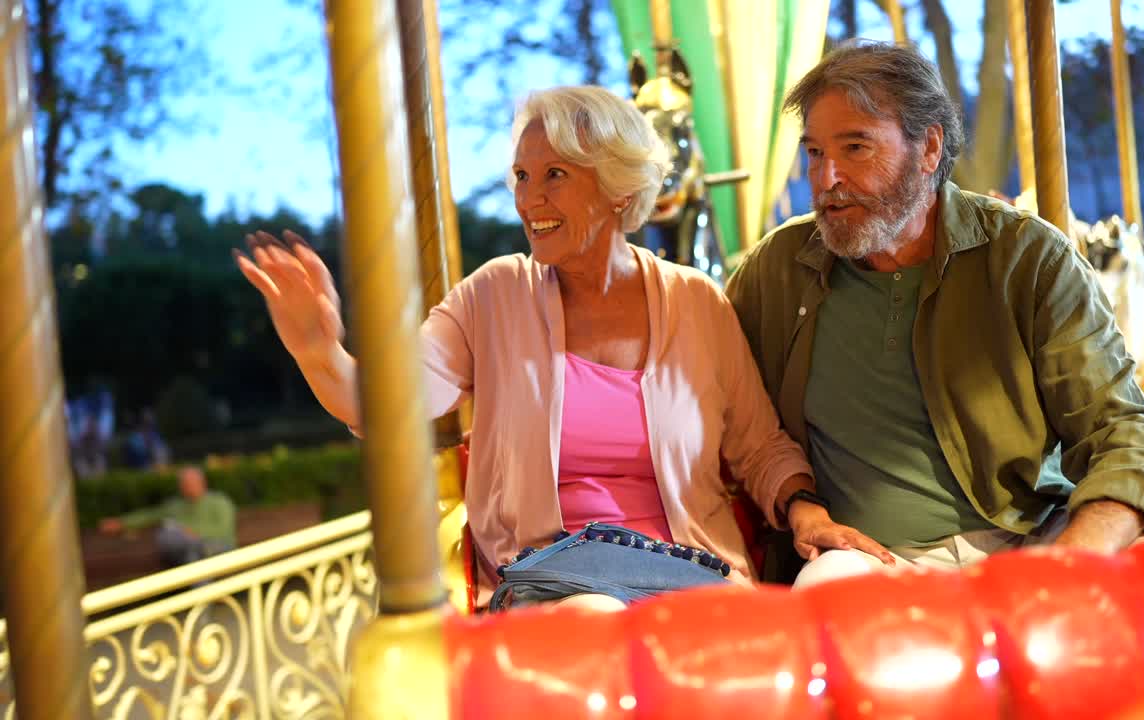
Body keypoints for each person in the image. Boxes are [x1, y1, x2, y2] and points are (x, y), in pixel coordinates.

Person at [235, 86, 884, 611]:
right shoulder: (492, 296)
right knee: (594, 622)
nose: (528, 198)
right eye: (520, 175)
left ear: (618, 190)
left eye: (553, 175)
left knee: (826, 600)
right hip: (553, 579)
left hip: (688, 574)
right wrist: (321, 352)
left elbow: (758, 445)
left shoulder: (695, 303)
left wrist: (806, 511)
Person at [725, 41, 1144, 587]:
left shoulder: (1026, 258)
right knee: (827, 587)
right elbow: (710, 400)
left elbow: (1128, 432)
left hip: (1031, 541)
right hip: (867, 562)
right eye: (813, 153)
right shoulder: (777, 271)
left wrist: (1074, 562)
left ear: (927, 149)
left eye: (855, 148)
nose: (826, 179)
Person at [99, 465, 237, 567]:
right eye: (184, 484)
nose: (186, 487)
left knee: (194, 552)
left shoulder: (219, 501)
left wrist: (194, 532)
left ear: (202, 483)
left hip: (216, 546)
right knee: (184, 545)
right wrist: (122, 522)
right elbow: (150, 515)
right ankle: (204, 602)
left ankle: (202, 602)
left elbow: (224, 529)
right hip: (188, 549)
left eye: (190, 483)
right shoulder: (175, 505)